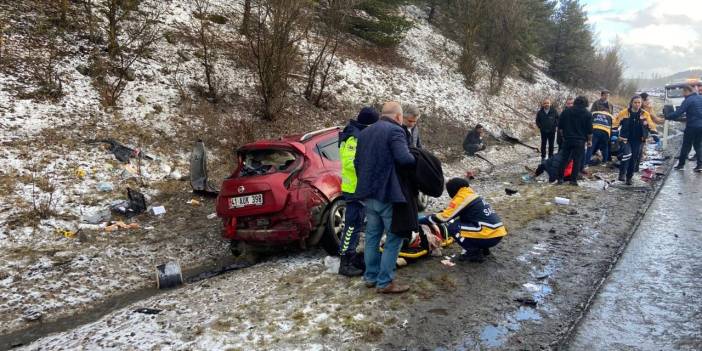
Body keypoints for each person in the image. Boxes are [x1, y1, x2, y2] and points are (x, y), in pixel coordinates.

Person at [353, 101, 416, 294]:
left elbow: (357, 162)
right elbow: (404, 159)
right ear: (398, 117)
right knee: (394, 237)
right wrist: (417, 158)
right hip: (388, 194)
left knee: (372, 236)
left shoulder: (364, 133)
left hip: (368, 194)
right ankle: (385, 282)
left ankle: (370, 277)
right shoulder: (395, 131)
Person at [337, 107, 379, 277]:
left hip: (358, 188)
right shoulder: (354, 136)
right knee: (352, 226)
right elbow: (350, 163)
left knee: (357, 224)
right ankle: (345, 262)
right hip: (354, 189)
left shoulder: (357, 133)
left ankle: (351, 257)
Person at [425, 178, 507, 263]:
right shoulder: (471, 195)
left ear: (453, 190)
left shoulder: (462, 198)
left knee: (453, 227)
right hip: (497, 232)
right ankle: (483, 249)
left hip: (489, 235)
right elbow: (450, 212)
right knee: (464, 221)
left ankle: (473, 252)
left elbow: (444, 218)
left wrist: (422, 220)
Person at [613, 95, 656, 175]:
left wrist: (655, 136)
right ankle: (622, 174)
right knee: (627, 154)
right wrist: (614, 134)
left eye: (639, 102)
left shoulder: (645, 114)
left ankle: (629, 177)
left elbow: (650, 125)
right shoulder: (624, 113)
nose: (637, 104)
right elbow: (616, 123)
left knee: (633, 159)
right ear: (631, 103)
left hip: (638, 140)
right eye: (635, 102)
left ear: (641, 103)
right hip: (625, 139)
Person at [665, 85, 702, 172]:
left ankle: (681, 165)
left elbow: (679, 112)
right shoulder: (700, 97)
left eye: (683, 92)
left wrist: (667, 117)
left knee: (686, 145)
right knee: (698, 145)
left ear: (687, 91)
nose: (683, 94)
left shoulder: (688, 100)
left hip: (692, 126)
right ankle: (700, 165)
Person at [557, 96, 593, 185]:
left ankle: (560, 179)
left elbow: (560, 126)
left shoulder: (566, 111)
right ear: (586, 103)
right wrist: (589, 141)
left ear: (576, 101)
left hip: (568, 139)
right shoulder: (588, 114)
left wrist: (563, 136)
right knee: (577, 160)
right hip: (580, 141)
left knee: (564, 159)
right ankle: (573, 180)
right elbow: (590, 130)